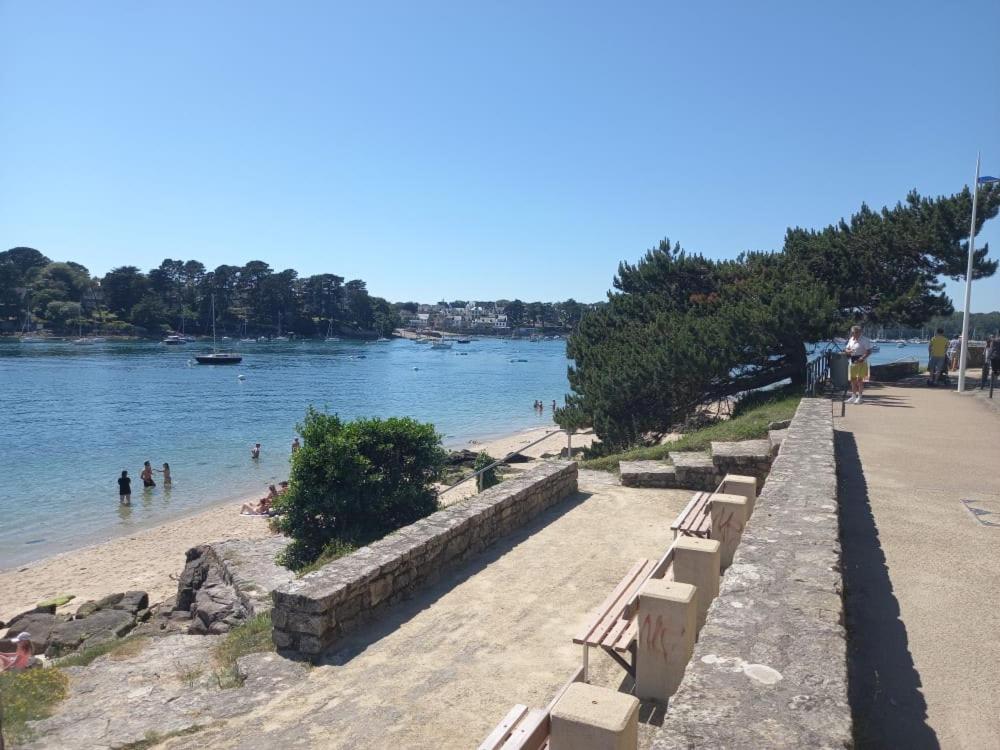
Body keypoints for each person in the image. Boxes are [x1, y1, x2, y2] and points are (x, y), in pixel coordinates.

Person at [845, 325, 873, 404]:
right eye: (853, 332)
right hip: (852, 361)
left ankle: (860, 397)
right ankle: (853, 396)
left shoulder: (865, 340)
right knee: (853, 380)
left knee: (860, 380)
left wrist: (862, 358)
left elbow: (869, 351)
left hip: (862, 362)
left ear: (860, 332)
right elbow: (847, 348)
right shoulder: (851, 339)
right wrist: (848, 351)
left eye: (856, 332)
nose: (854, 334)